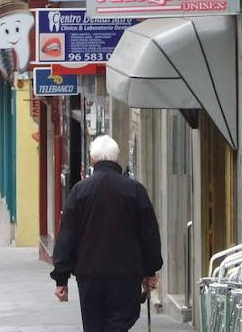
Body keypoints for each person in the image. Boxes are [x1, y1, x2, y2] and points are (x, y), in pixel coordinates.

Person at [51, 135, 163, 332]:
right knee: (119, 324)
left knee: (94, 327)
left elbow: (67, 236)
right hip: (126, 276)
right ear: (117, 159)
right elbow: (149, 235)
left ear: (93, 160)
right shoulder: (134, 190)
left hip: (89, 276)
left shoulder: (79, 191)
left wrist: (61, 278)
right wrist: (150, 271)